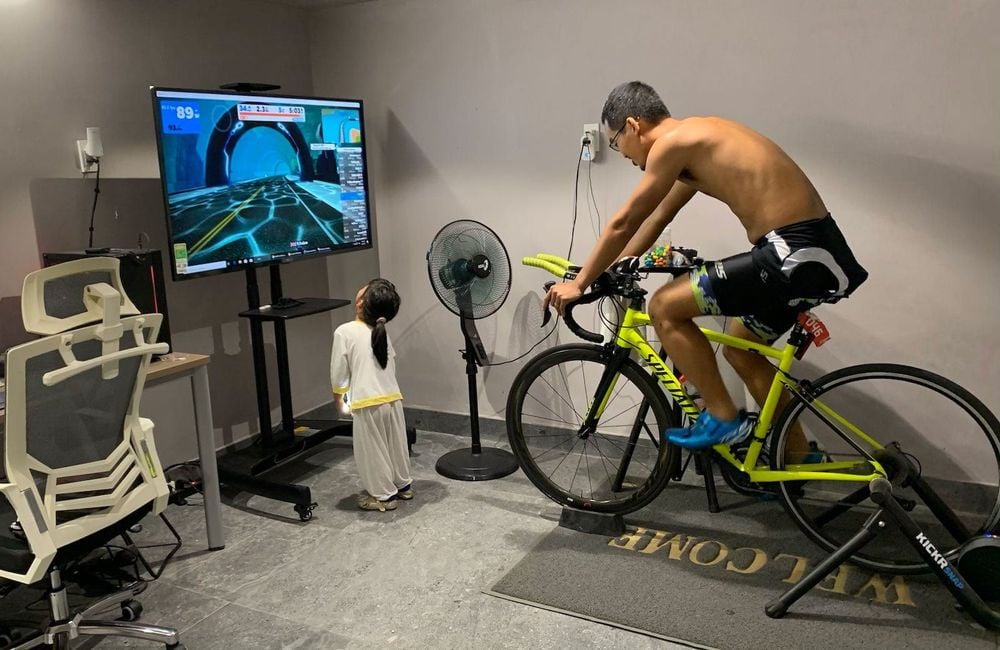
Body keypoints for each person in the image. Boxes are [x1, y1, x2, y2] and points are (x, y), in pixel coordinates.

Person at [544, 81, 868, 452]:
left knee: (664, 307)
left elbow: (625, 221)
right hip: (813, 253)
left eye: (617, 143)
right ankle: (797, 458)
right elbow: (657, 217)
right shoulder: (696, 141)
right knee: (742, 349)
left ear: (633, 125)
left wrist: (580, 283)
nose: (623, 155)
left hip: (795, 251)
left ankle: (723, 417)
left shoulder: (674, 143)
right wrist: (610, 269)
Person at [331, 278, 412, 511]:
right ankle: (403, 486)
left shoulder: (344, 332)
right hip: (393, 398)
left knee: (372, 452)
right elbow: (391, 363)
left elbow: (339, 372)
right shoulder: (381, 332)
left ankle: (383, 496)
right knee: (396, 445)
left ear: (360, 303)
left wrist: (340, 399)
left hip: (367, 402)